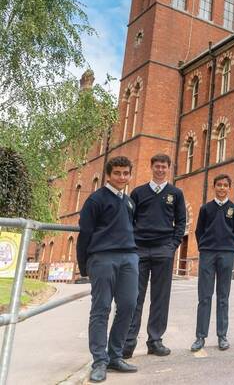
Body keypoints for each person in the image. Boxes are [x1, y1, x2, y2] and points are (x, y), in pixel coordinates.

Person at [77, 156, 139, 383]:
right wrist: (84, 266)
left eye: (126, 173)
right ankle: (99, 361)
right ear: (108, 174)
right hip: (102, 259)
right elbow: (85, 235)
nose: (122, 177)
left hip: (129, 258)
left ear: (130, 174)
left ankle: (115, 355)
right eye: (117, 173)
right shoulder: (95, 200)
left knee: (129, 305)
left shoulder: (130, 202)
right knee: (101, 308)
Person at [124, 153, 186, 358]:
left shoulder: (175, 194)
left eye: (164, 167)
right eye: (157, 166)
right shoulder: (138, 192)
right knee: (135, 297)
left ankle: (155, 340)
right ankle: (128, 341)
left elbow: (181, 222)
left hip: (163, 251)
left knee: (160, 298)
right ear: (151, 167)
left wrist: (172, 246)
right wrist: (133, 245)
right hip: (139, 250)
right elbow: (129, 221)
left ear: (169, 168)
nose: (160, 170)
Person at [190, 174, 234, 352]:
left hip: (226, 254)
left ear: (229, 188)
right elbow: (199, 231)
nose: (221, 188)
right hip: (207, 254)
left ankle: (222, 336)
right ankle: (200, 337)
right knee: (204, 297)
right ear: (214, 187)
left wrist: (228, 247)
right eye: (218, 185)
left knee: (223, 297)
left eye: (225, 185)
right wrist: (206, 247)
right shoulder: (206, 208)